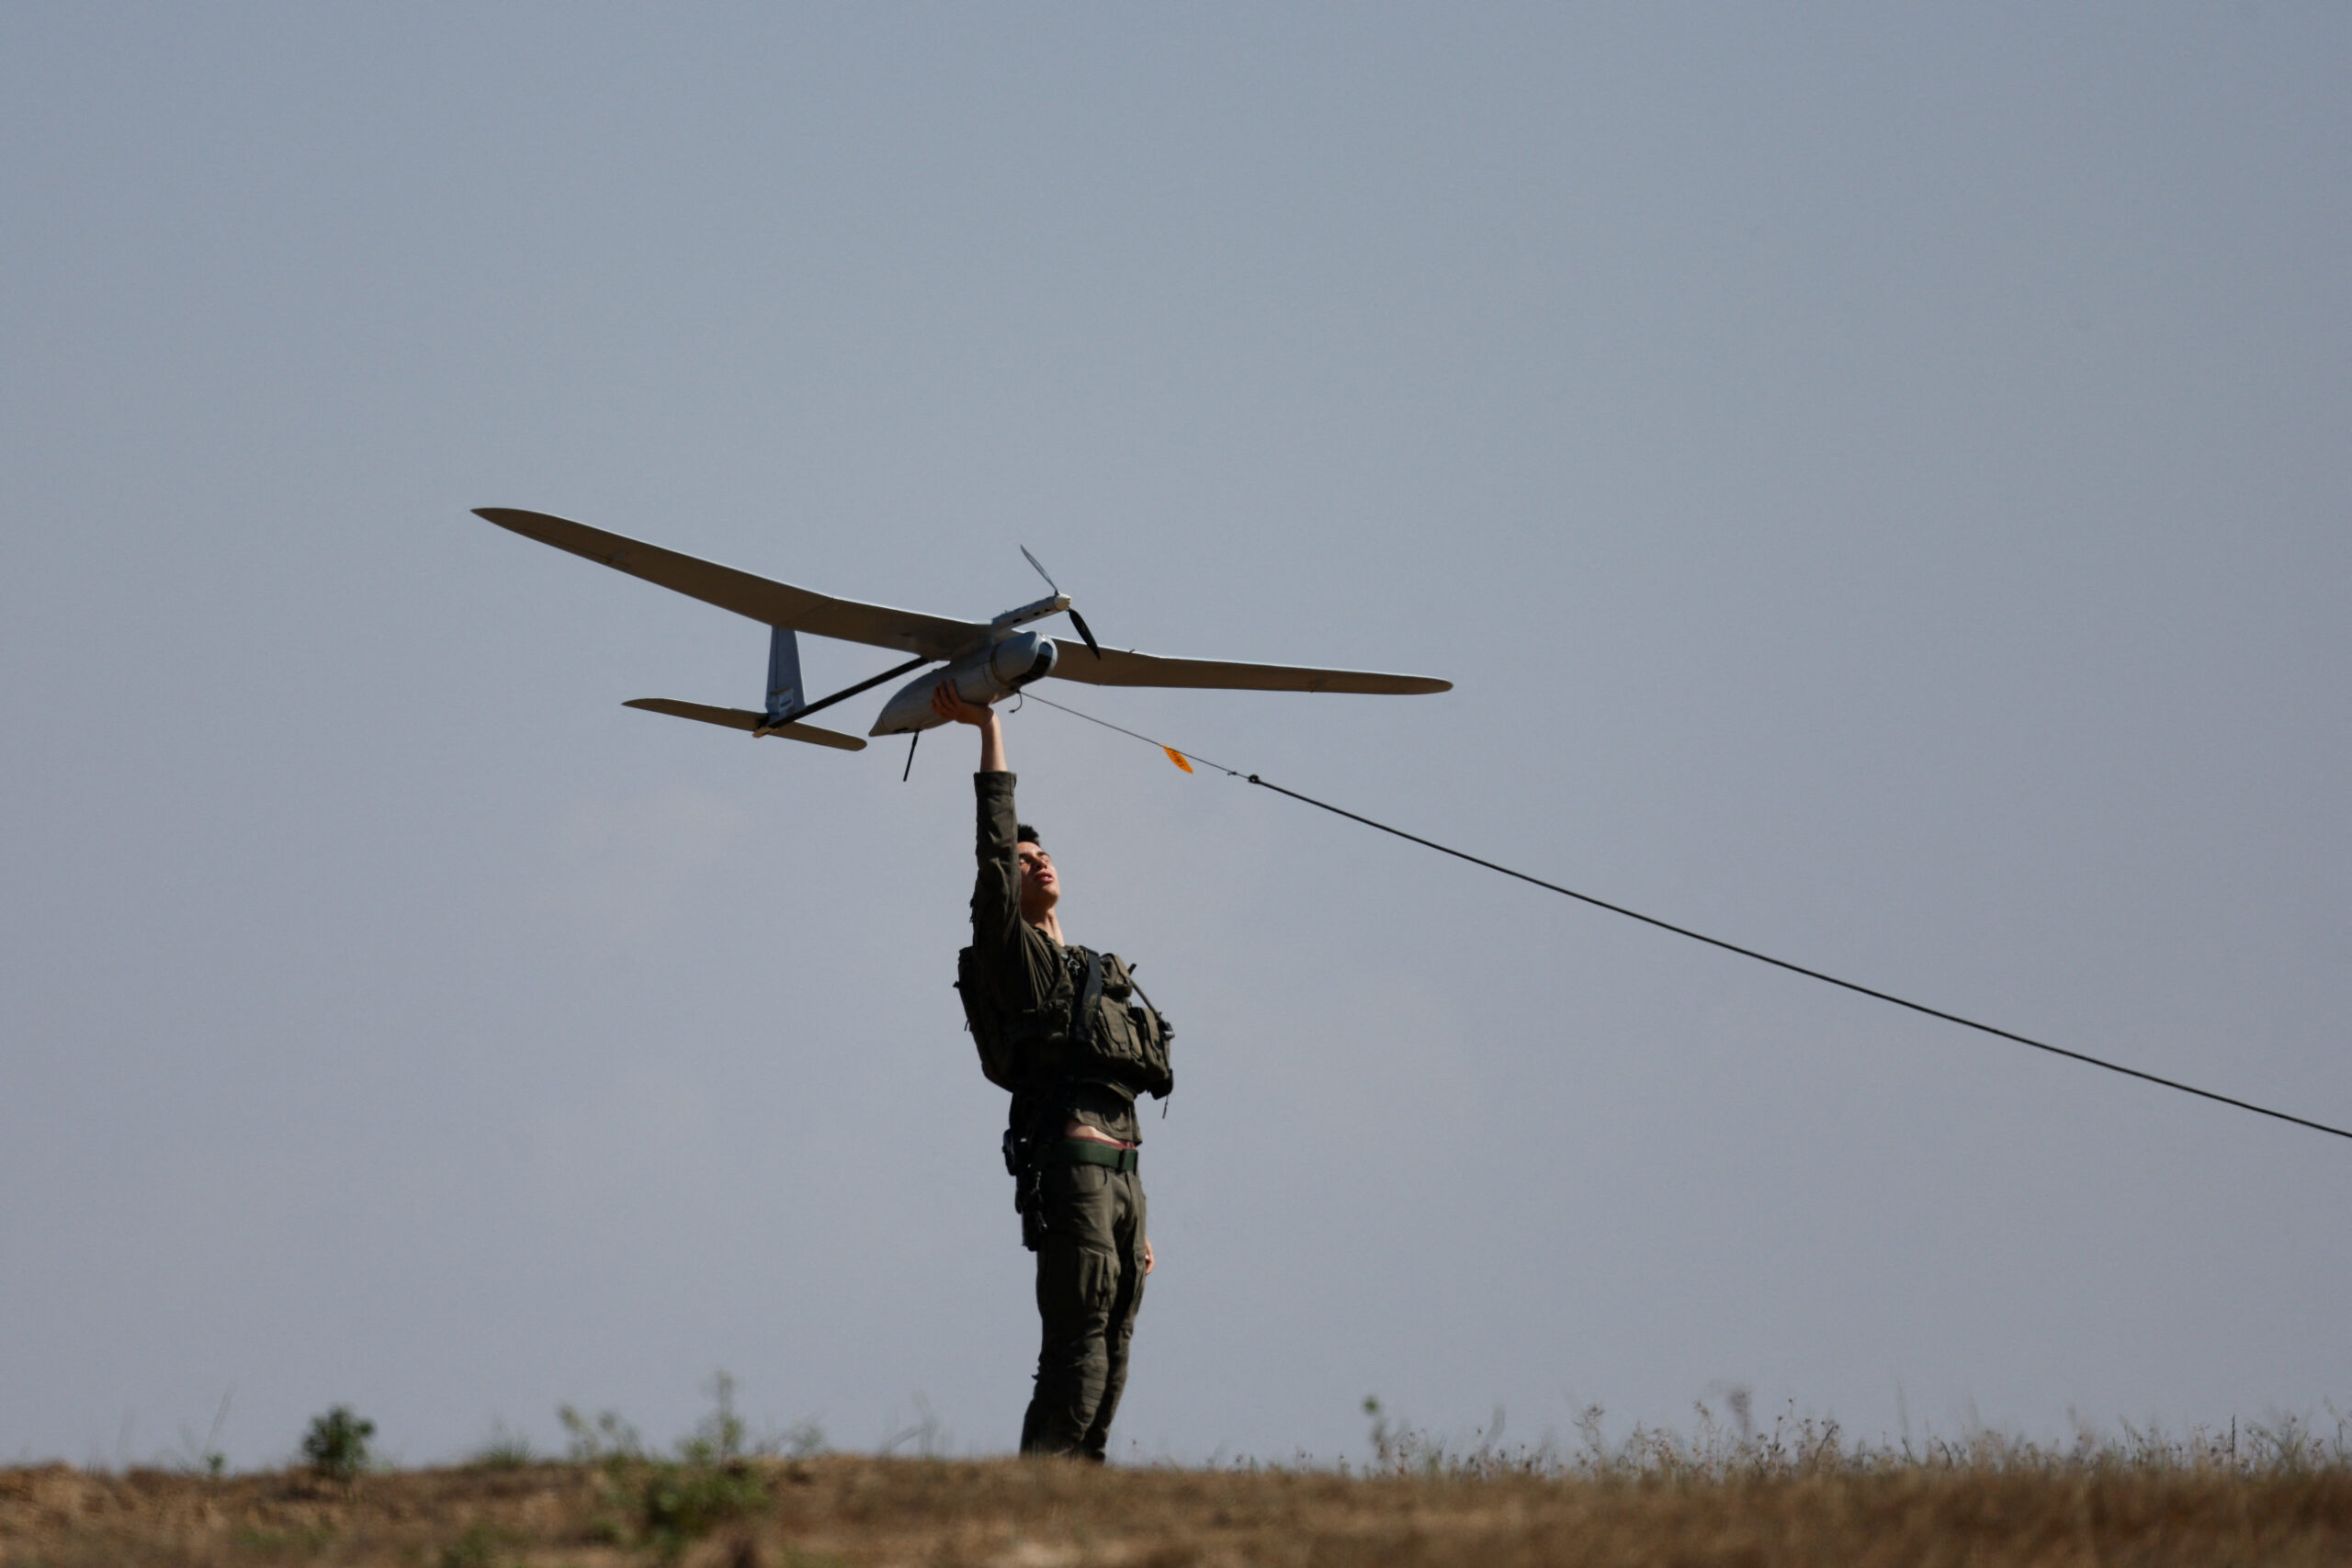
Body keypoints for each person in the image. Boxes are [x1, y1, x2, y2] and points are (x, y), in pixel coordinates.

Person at [933, 679, 1169, 1462]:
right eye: (1024, 858)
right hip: (1077, 1169)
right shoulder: (1019, 962)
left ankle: (1084, 1485)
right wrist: (987, 729)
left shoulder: (1091, 968)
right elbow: (994, 853)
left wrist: (1136, 1214)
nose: (1036, 862)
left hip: (1123, 1175)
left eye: (1045, 854)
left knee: (1118, 1339)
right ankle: (1039, 1489)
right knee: (1079, 1342)